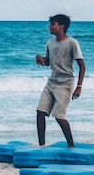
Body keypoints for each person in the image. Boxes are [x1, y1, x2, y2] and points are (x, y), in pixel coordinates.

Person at [35, 14, 85, 148]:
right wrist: (40, 58)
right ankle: (41, 146)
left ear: (61, 26)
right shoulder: (50, 43)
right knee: (40, 112)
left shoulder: (72, 43)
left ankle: (71, 146)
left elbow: (82, 65)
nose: (50, 27)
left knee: (59, 116)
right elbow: (48, 62)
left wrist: (79, 86)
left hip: (65, 84)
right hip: (51, 82)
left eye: (53, 24)